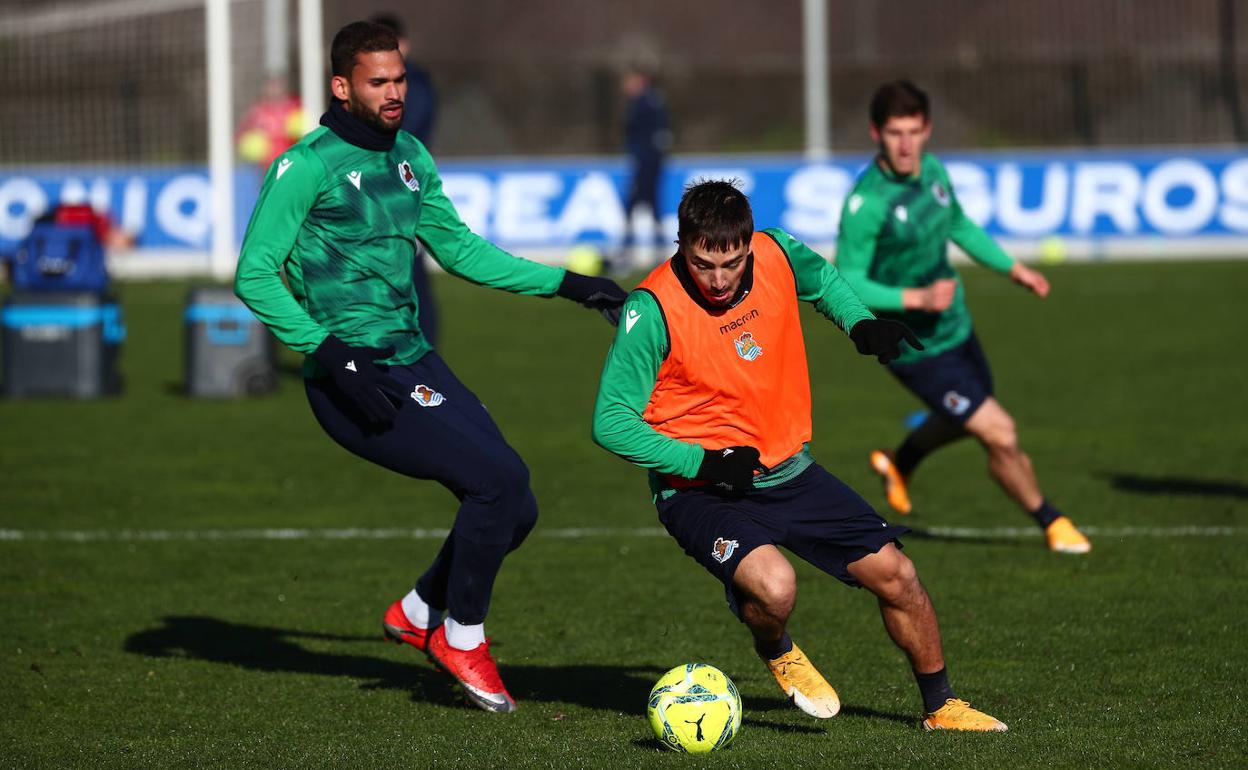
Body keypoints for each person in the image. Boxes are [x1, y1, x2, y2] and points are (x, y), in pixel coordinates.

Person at [234, 20, 627, 714]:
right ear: (342, 87)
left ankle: (419, 610)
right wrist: (327, 351)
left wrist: (569, 284)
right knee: (497, 483)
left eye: (400, 79)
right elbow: (254, 274)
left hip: (412, 358)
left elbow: (462, 251)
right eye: (377, 82)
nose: (394, 93)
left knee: (518, 507)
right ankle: (461, 637)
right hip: (351, 378)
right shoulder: (307, 166)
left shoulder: (410, 155)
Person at [592, 179, 1008, 731]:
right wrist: (704, 463)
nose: (718, 280)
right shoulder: (651, 309)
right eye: (702, 265)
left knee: (898, 574)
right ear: (681, 245)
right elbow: (610, 422)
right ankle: (776, 646)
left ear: (749, 245)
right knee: (775, 586)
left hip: (787, 470)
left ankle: (942, 707)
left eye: (732, 264)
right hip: (698, 488)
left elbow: (823, 281)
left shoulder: (777, 252)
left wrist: (860, 322)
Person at [835, 80, 1091, 555]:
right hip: (914, 346)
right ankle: (1053, 521)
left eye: (914, 131)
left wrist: (1012, 269)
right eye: (895, 133)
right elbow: (847, 281)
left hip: (956, 326)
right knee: (999, 432)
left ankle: (899, 462)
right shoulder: (866, 203)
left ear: (928, 129)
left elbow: (958, 224)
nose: (906, 145)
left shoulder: (932, 171)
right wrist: (916, 298)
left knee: (964, 418)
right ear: (876, 133)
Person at [369, 13, 442, 346]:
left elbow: (405, 135)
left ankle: (422, 348)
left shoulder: (417, 86)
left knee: (409, 274)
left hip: (403, 189)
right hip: (373, 189)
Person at [617, 62, 671, 272]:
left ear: (640, 80)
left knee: (635, 205)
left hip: (646, 164)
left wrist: (644, 164)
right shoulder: (648, 102)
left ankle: (629, 251)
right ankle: (656, 250)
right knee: (649, 205)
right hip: (647, 163)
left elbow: (654, 138)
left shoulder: (647, 103)